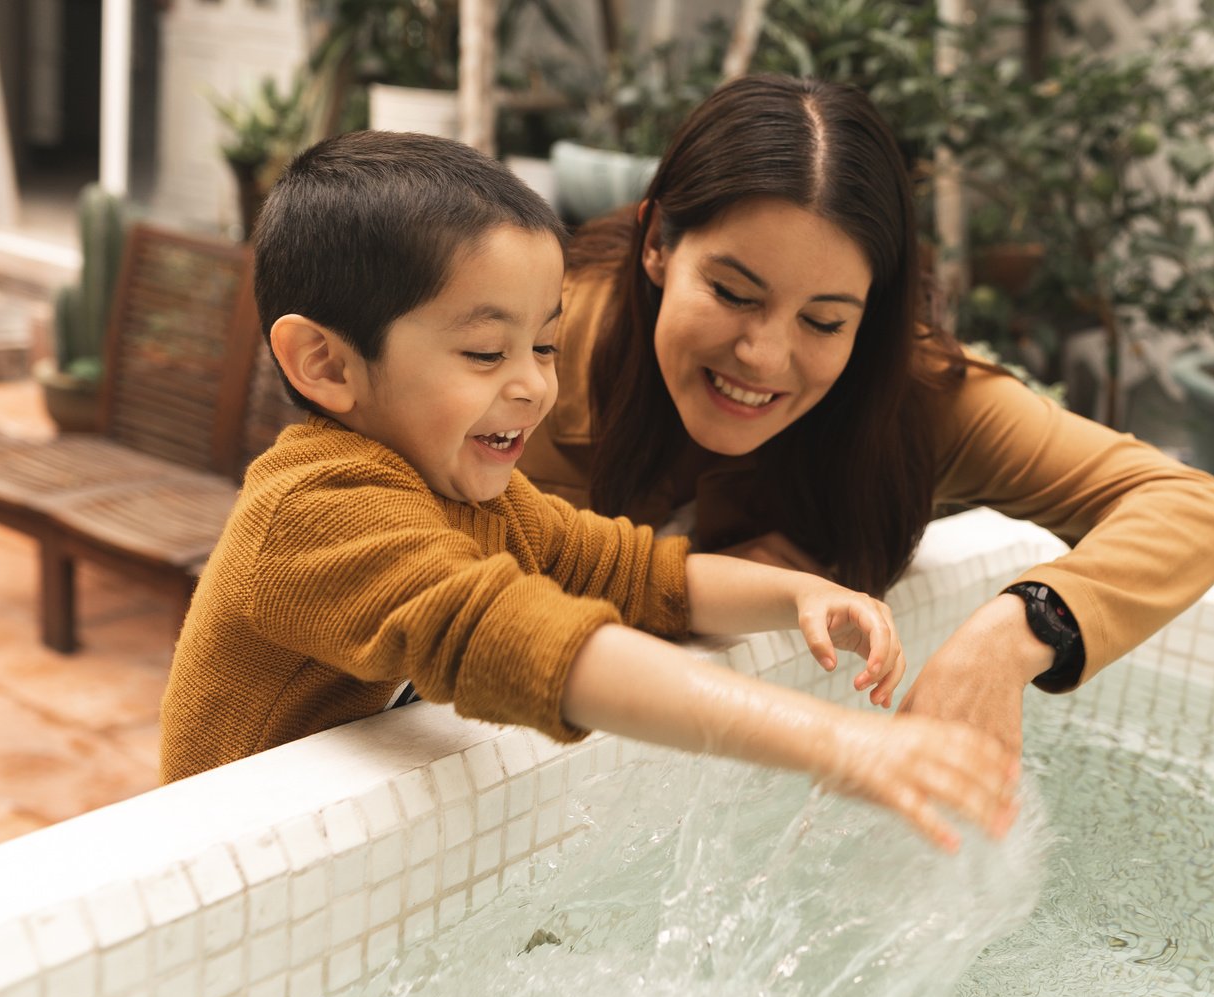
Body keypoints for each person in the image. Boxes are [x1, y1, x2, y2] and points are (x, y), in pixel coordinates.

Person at [158, 130, 1018, 852]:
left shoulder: (479, 499)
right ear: (328, 363)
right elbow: (523, 640)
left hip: (335, 856)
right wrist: (833, 739)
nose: (534, 385)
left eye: (546, 345)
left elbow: (638, 575)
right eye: (487, 353)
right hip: (223, 879)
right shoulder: (313, 514)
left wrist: (799, 592)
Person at [517, 75, 1214, 757]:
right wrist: (711, 584)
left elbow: (1194, 508)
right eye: (735, 293)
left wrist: (1011, 636)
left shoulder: (909, 396)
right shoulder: (519, 363)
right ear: (655, 245)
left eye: (825, 321)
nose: (765, 356)